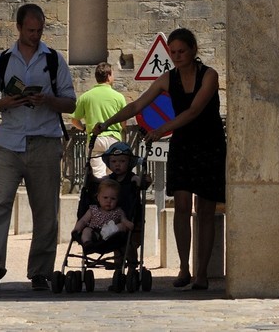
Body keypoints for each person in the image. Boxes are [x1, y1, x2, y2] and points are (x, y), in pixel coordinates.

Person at [94, 27, 225, 290]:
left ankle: (201, 273)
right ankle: (184, 268)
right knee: (183, 206)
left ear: (193, 51)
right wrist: (106, 122)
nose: (177, 56)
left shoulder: (209, 75)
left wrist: (161, 129)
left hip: (209, 146)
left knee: (206, 211)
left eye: (182, 51)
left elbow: (194, 111)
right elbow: (136, 105)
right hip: (184, 146)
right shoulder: (168, 78)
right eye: (173, 52)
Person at [0, 3, 77, 292]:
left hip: (45, 141)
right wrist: (6, 103)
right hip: (8, 143)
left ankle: (41, 272)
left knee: (46, 210)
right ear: (19, 28)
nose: (35, 35)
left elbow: (71, 103)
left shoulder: (55, 60)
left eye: (40, 30)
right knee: (0, 206)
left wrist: (48, 100)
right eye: (31, 30)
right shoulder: (3, 61)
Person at [69, 63, 126, 178]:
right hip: (113, 138)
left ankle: (99, 195)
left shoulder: (86, 97)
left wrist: (85, 128)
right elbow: (123, 123)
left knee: (98, 175)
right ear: (109, 76)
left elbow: (74, 120)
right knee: (115, 175)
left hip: (95, 139)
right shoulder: (118, 97)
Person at [72, 176, 133, 249]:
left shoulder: (118, 211)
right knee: (86, 230)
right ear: (98, 198)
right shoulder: (93, 210)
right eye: (105, 198)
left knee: (121, 226)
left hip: (111, 237)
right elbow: (83, 220)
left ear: (117, 200)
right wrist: (76, 229)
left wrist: (128, 224)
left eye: (113, 199)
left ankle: (108, 232)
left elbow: (124, 221)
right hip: (94, 234)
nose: (109, 201)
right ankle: (87, 243)